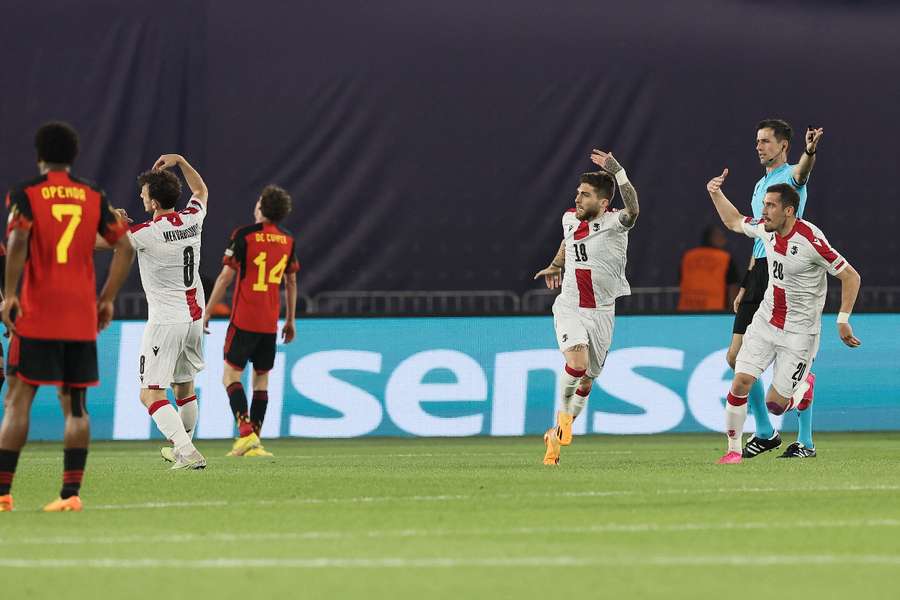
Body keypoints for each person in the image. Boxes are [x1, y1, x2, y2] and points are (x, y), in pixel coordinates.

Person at [0, 121, 133, 512]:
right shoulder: (93, 195)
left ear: (40, 155)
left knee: (19, 400)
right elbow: (124, 247)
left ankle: (3, 492)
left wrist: (9, 296)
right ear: (74, 156)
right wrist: (106, 299)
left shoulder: (25, 194)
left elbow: (19, 240)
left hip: (38, 312)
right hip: (79, 315)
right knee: (76, 406)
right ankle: (70, 495)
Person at [706, 171, 860, 464]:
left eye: (771, 206)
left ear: (789, 210)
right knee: (740, 381)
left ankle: (803, 390)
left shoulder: (811, 239)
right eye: (764, 204)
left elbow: (851, 276)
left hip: (800, 332)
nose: (764, 211)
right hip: (766, 321)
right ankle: (733, 451)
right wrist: (715, 193)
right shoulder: (765, 229)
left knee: (775, 405)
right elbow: (734, 220)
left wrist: (842, 319)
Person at [533, 149, 639, 465]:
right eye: (578, 193)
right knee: (576, 365)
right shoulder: (569, 218)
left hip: (602, 312)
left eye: (586, 195)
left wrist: (619, 171)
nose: (578, 199)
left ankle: (556, 434)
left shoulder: (615, 223)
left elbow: (633, 208)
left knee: (588, 380)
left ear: (603, 203)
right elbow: (569, 240)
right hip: (570, 306)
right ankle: (563, 420)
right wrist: (555, 265)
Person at [729, 119, 824, 459]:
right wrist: (746, 281)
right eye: (757, 141)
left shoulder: (789, 178)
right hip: (759, 273)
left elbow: (803, 172)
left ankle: (805, 439)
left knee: (792, 360)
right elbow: (759, 238)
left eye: (766, 141)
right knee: (735, 358)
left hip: (783, 273)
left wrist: (810, 151)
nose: (759, 146)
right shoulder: (761, 185)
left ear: (784, 146)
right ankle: (767, 431)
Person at [123, 154, 209, 469]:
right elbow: (200, 192)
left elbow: (102, 244)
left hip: (166, 322)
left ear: (154, 202)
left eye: (144, 195)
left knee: (150, 394)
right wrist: (183, 162)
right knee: (184, 387)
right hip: (194, 318)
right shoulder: (192, 218)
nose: (140, 198)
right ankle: (184, 447)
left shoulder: (145, 233)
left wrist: (111, 221)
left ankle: (186, 452)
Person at [203, 185, 299, 457]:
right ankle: (254, 441)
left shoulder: (244, 235)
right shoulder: (288, 240)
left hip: (244, 318)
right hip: (270, 322)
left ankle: (245, 433)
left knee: (230, 375)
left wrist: (208, 311)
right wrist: (290, 320)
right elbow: (291, 281)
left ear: (261, 207)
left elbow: (225, 277)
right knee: (261, 380)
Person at [677, 225, 740, 311]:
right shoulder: (725, 258)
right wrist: (733, 310)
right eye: (721, 236)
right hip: (715, 311)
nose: (725, 239)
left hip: (687, 309)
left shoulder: (688, 256)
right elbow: (733, 287)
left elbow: (680, 280)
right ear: (713, 238)